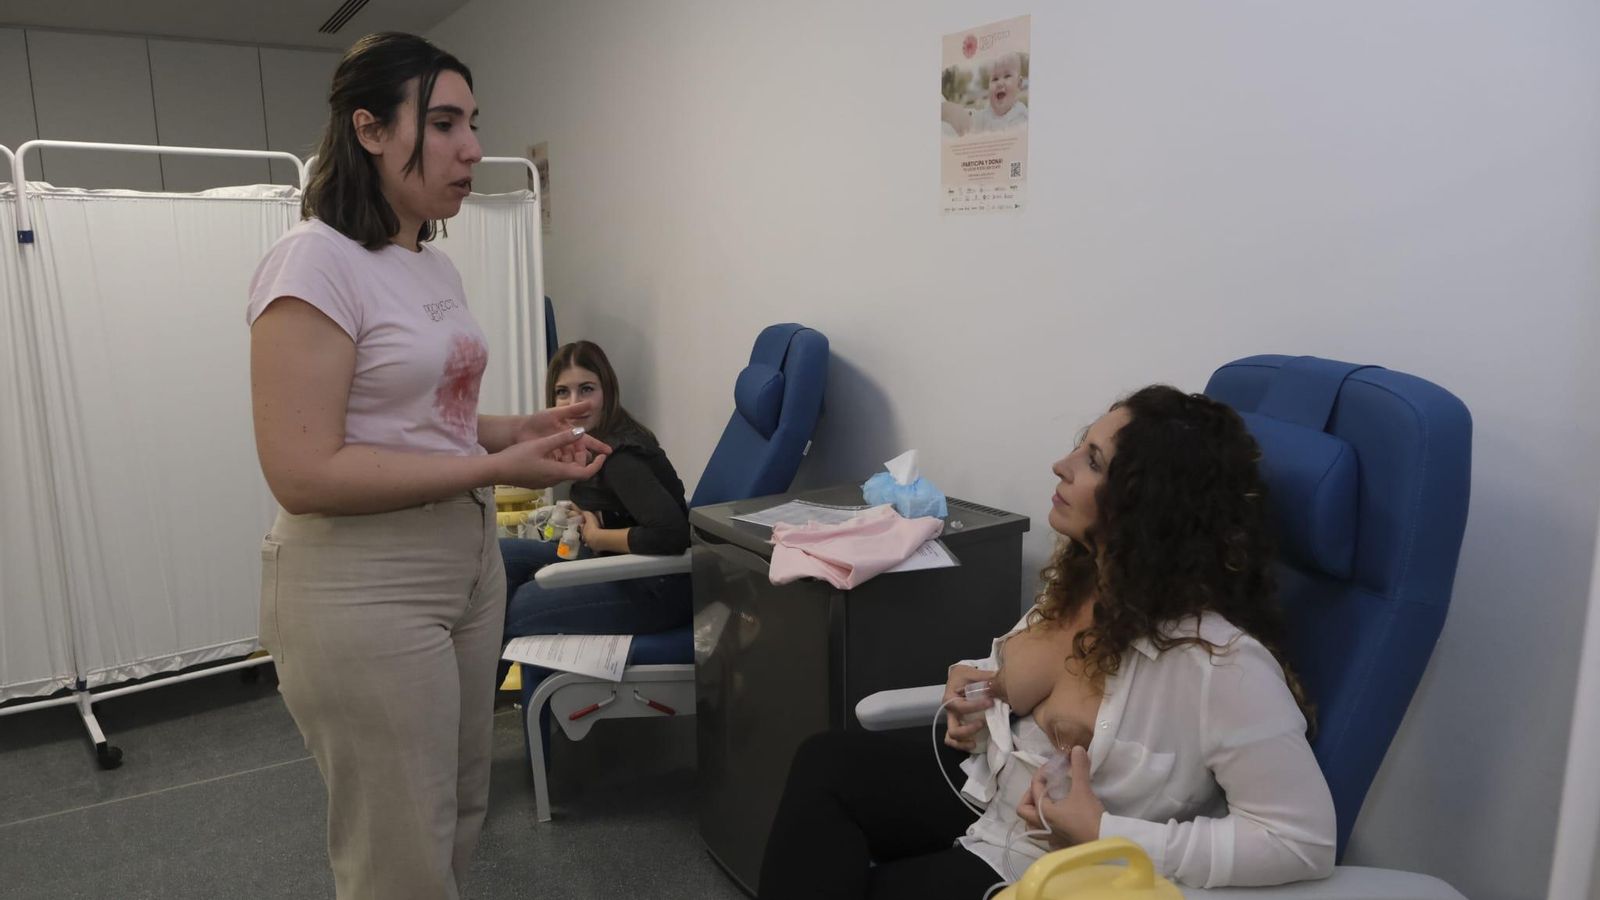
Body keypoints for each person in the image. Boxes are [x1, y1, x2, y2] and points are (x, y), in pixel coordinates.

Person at [247, 32, 609, 900]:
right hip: (364, 584)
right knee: (397, 859)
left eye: (472, 123)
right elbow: (303, 470)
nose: (473, 148)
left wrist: (517, 429)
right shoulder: (313, 262)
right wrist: (493, 470)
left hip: (466, 567)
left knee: (454, 821)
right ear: (370, 130)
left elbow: (422, 420)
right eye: (443, 123)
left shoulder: (426, 259)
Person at [757, 386, 1336, 899]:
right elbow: (1016, 669)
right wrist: (974, 685)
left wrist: (1105, 832)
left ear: (1146, 506)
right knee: (826, 762)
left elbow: (1301, 841)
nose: (1061, 466)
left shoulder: (1222, 664)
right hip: (987, 791)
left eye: (1093, 462)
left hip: (1043, 863)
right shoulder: (1090, 579)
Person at [498, 341, 692, 741]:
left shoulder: (620, 455)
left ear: (607, 389)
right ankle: (467, 719)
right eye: (563, 392)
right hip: (610, 564)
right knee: (496, 560)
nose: (575, 402)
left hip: (653, 589)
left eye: (587, 389)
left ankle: (465, 731)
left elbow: (672, 533)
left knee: (510, 610)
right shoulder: (590, 439)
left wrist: (598, 533)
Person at [970, 52, 1028, 132]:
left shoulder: (1020, 115)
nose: (1000, 83)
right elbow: (974, 118)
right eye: (995, 79)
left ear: (1019, 84)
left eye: (1007, 76)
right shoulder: (986, 114)